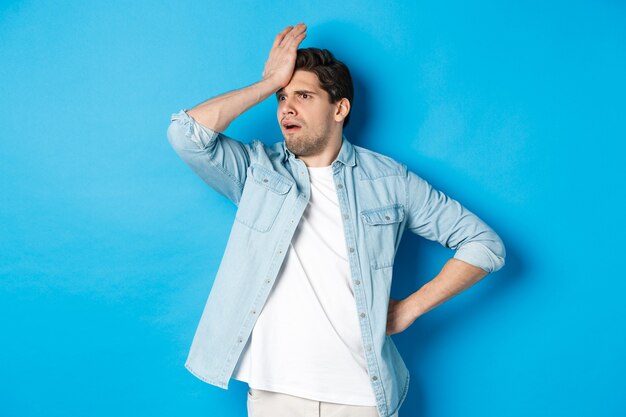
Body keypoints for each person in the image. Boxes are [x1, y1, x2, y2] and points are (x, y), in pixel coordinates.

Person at [166, 22, 505, 417]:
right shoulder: (257, 171)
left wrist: (410, 308)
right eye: (281, 98)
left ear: (340, 108)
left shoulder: (390, 180)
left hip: (362, 394)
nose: (287, 108)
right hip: (276, 392)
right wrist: (269, 81)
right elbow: (185, 134)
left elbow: (485, 245)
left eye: (304, 96)